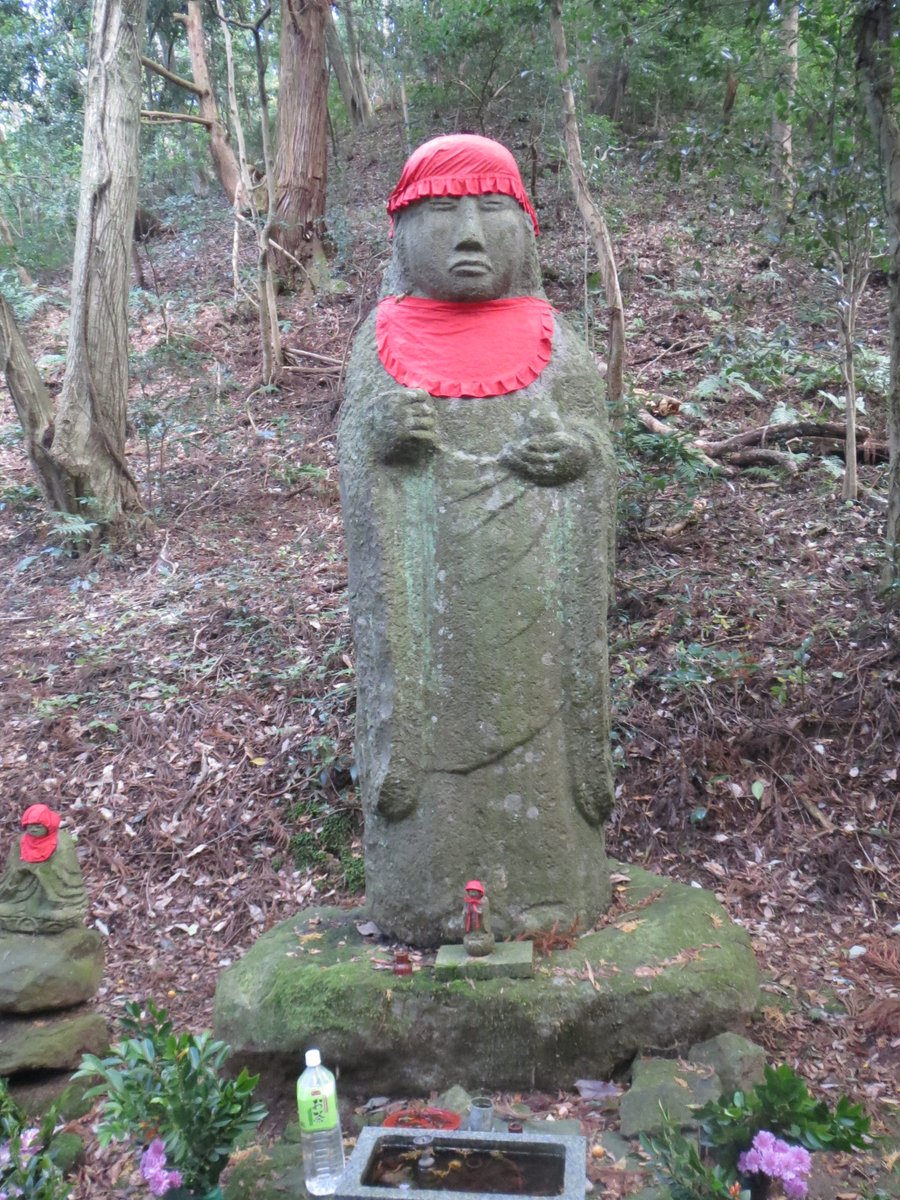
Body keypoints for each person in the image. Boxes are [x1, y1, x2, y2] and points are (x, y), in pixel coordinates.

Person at [339, 135, 615, 947]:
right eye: (444, 214)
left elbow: (599, 450)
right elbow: (355, 456)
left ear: (524, 229)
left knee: (541, 745)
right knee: (433, 769)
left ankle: (550, 889)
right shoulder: (381, 343)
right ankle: (426, 896)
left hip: (536, 607)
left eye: (491, 211)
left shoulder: (555, 344)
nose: (469, 235)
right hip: (429, 615)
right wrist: (379, 436)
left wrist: (579, 459)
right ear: (402, 233)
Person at [0, 804, 88, 933]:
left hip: (52, 899)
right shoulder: (21, 841)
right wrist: (19, 871)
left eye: (38, 826)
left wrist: (40, 871)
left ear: (48, 825)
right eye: (30, 826)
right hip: (21, 896)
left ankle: (42, 917)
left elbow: (67, 876)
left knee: (58, 916)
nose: (33, 830)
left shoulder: (62, 842)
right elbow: (11, 871)